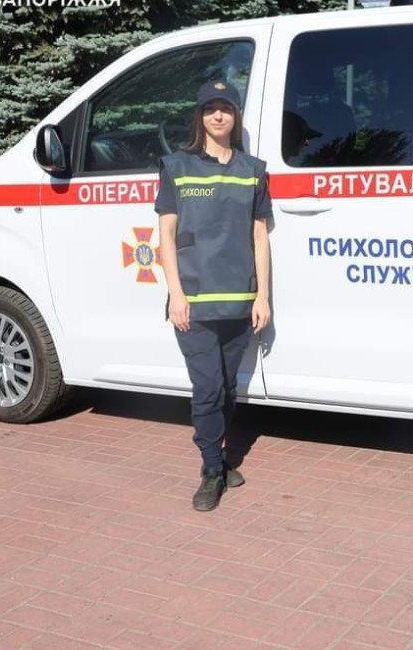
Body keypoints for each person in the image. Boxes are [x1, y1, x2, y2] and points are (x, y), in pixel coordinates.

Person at [155, 80, 273, 512]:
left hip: (239, 299)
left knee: (226, 388)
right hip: (194, 303)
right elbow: (166, 235)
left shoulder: (253, 170)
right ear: (200, 116)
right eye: (210, 109)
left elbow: (259, 237)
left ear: (235, 115)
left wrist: (262, 297)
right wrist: (175, 294)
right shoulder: (177, 166)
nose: (218, 115)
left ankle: (220, 457)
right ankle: (210, 470)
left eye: (225, 108)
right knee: (206, 388)